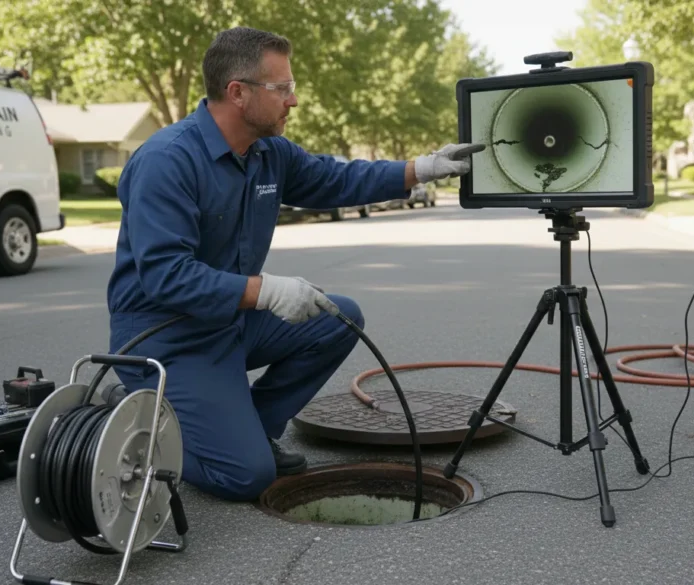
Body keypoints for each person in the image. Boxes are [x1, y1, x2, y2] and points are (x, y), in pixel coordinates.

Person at [106, 26, 481, 502]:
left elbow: (337, 179)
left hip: (227, 324)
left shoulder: (269, 154)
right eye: (281, 88)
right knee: (247, 478)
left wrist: (422, 168)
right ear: (237, 93)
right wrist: (267, 291)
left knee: (338, 318)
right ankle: (140, 415)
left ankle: (251, 427)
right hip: (165, 338)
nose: (294, 100)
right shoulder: (167, 161)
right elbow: (165, 276)